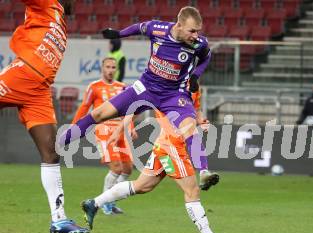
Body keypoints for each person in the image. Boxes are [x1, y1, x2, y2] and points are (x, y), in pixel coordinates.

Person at [60, 6, 218, 191]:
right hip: (145, 88)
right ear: (179, 25)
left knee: (190, 129)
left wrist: (195, 76)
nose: (195, 35)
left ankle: (204, 172)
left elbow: (206, 56)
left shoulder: (199, 43)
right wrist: (118, 34)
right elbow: (138, 28)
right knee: (100, 113)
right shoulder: (157, 29)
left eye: (198, 31)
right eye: (192, 31)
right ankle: (62, 141)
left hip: (174, 95)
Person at [80, 93, 235, 233]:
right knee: (192, 191)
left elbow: (195, 109)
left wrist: (201, 120)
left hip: (163, 146)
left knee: (141, 186)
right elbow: (136, 106)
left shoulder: (193, 86)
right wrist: (121, 127)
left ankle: (94, 203)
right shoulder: (168, 84)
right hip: (172, 148)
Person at [0, 0, 89, 233]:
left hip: (39, 91)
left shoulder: (60, 18)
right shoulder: (47, 2)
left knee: (51, 152)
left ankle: (58, 220)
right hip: (23, 74)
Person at [72, 57, 137, 215]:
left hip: (120, 129)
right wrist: (74, 126)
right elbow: (85, 107)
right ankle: (105, 203)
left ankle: (110, 200)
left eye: (113, 67)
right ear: (102, 68)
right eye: (107, 66)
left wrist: (132, 127)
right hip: (103, 130)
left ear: (116, 69)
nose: (110, 70)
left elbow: (129, 109)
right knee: (116, 168)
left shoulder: (123, 87)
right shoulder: (94, 87)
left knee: (128, 169)